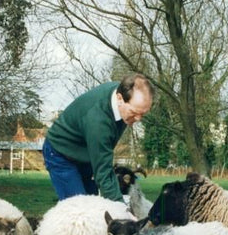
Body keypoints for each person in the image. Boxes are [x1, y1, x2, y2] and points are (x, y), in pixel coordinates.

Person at [42, 73, 154, 202]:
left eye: (142, 114)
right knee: (79, 211)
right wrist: (122, 211)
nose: (138, 119)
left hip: (85, 154)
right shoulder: (98, 121)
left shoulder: (122, 100)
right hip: (61, 153)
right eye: (134, 113)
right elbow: (103, 173)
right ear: (119, 98)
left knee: (95, 207)